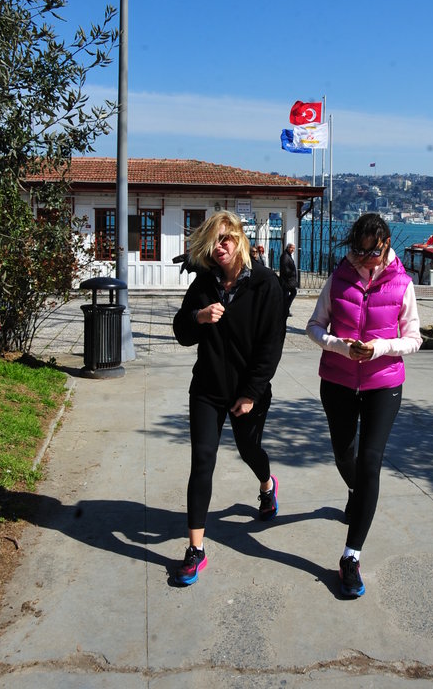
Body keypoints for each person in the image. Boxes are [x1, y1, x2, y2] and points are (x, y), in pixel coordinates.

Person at [306, 213, 422, 599]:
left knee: (370, 461)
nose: (364, 260)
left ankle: (350, 556)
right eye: (358, 251)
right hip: (337, 381)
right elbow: (314, 326)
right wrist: (340, 346)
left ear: (386, 244)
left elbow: (414, 338)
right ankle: (357, 493)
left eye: (371, 252)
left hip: (383, 384)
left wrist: (380, 348)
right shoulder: (338, 278)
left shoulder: (402, 283)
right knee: (345, 456)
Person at [172, 211, 285, 586]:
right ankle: (196, 549)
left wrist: (251, 393)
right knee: (202, 461)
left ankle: (266, 486)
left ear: (239, 239)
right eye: (213, 242)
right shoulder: (205, 283)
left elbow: (271, 346)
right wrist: (198, 317)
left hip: (248, 393)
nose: (219, 247)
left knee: (249, 450)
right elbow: (182, 332)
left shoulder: (266, 284)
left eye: (225, 239)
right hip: (207, 389)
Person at [279, 242, 297, 317]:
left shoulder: (287, 255)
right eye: (292, 248)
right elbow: (285, 269)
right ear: (288, 247)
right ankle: (285, 309)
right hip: (286, 280)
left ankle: (285, 309)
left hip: (287, 280)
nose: (293, 250)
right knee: (292, 293)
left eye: (294, 248)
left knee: (286, 296)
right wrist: (292, 273)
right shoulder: (285, 256)